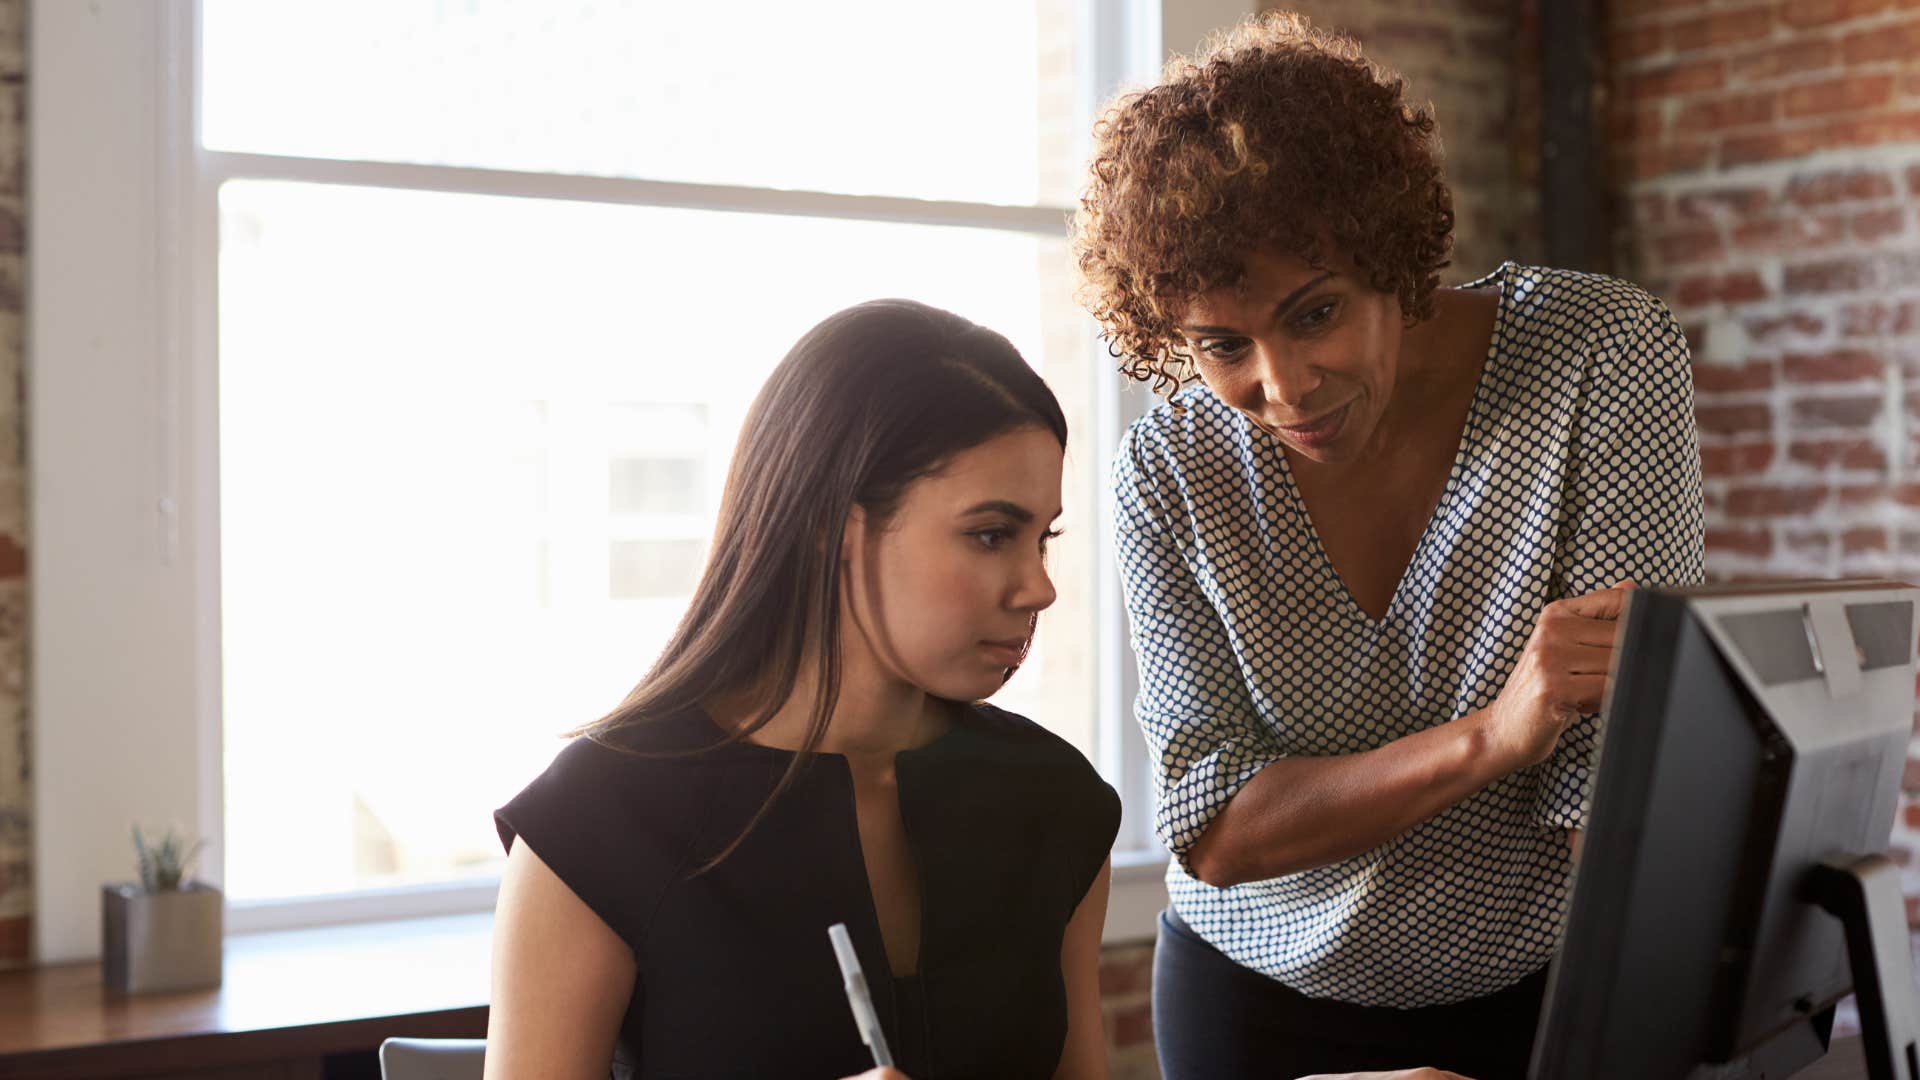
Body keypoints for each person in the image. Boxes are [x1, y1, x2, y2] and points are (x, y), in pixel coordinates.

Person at [1071, 12, 1705, 1080]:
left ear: (1392, 257)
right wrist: (1492, 737)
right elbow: (1213, 825)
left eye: (1315, 313)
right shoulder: (1169, 470)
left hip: (1538, 991)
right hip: (1251, 1001)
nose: (1283, 387)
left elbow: (1611, 778)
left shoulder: (1596, 355)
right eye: (1223, 345)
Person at [484, 300, 1121, 1079]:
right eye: (991, 534)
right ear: (831, 525)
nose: (1038, 587)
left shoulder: (1058, 803)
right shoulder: (598, 821)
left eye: (1042, 538)